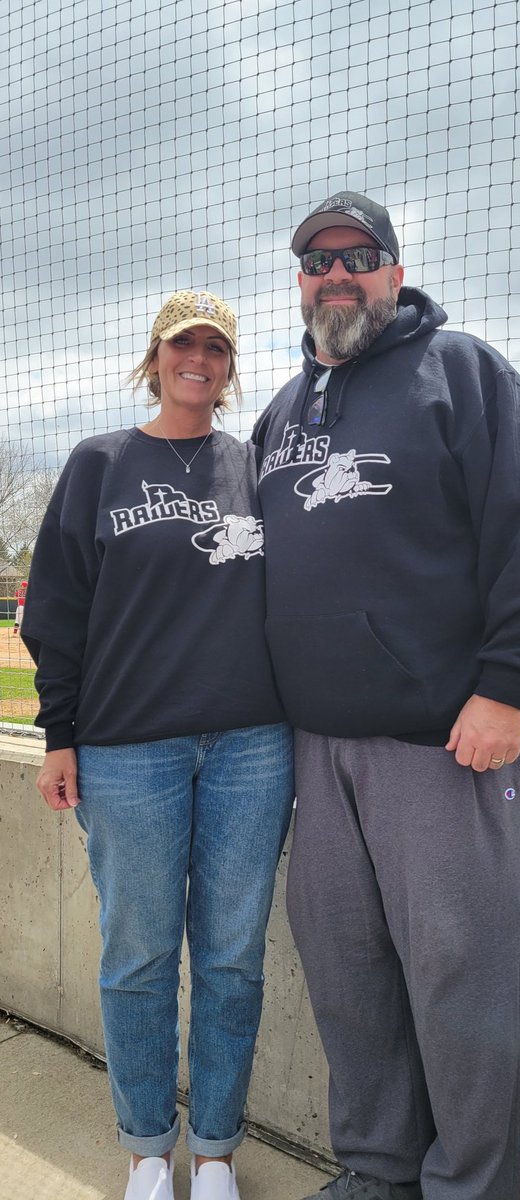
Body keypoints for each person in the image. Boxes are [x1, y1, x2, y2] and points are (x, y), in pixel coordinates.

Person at [253, 191, 520, 1200]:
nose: (336, 275)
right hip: (313, 753)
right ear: (298, 282)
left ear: (394, 271)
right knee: (351, 984)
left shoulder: (459, 373)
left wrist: (508, 688)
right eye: (316, 261)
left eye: (357, 256)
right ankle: (376, 1174)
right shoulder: (279, 414)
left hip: (444, 745)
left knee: (467, 987)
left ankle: (470, 1185)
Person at [22, 290, 294, 1200]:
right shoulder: (101, 462)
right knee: (137, 956)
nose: (202, 360)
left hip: (251, 747)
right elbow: (56, 610)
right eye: (186, 343)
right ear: (155, 356)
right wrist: (60, 736)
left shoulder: (253, 466)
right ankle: (147, 1148)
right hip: (128, 749)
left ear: (229, 368)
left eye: (218, 348)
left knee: (230, 956)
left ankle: (214, 1152)